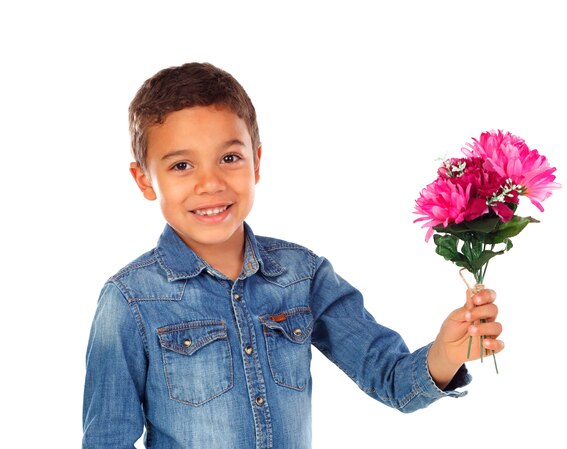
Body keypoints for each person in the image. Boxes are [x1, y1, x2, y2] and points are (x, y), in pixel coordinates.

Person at [82, 62, 504, 449]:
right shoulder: (129, 300)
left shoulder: (302, 276)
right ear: (144, 179)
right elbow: (107, 439)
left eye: (229, 158)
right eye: (181, 166)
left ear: (256, 162)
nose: (210, 183)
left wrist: (447, 354)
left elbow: (390, 379)